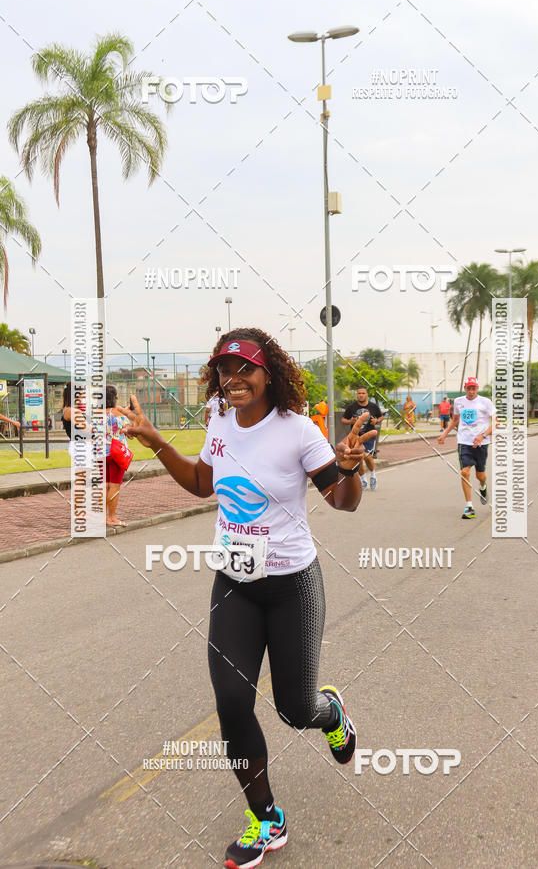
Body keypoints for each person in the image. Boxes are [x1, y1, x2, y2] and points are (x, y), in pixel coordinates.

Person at [121, 328, 375, 868]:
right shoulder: (218, 420)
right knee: (232, 703)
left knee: (293, 708)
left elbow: (343, 502)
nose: (232, 380)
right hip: (233, 584)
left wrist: (348, 468)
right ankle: (266, 819)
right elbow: (201, 484)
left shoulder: (299, 431)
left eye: (244, 369)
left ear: (269, 374)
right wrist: (155, 440)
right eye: (223, 370)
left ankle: (332, 716)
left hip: (292, 588)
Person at [437, 377, 495, 519]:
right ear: (465, 388)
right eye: (468, 388)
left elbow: (496, 423)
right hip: (464, 442)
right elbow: (455, 420)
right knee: (464, 472)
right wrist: (444, 434)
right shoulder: (458, 401)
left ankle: (483, 486)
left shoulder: (485, 402)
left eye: (473, 388)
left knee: (480, 475)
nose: (471, 391)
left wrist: (482, 436)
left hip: (481, 443)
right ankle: (469, 506)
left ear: (477, 388)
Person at [342, 385, 383, 490]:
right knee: (358, 457)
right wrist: (350, 421)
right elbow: (343, 420)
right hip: (356, 437)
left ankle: (373, 475)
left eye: (363, 393)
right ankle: (363, 479)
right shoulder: (352, 407)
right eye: (359, 393)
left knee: (367, 457)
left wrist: (376, 421)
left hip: (369, 436)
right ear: (357, 394)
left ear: (367, 395)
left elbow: (380, 416)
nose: (361, 395)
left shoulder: (373, 406)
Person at [105, 385, 131, 527]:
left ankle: (102, 517)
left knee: (104, 486)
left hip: (100, 453)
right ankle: (112, 518)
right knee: (114, 486)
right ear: (115, 398)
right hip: (116, 453)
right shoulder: (119, 414)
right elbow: (129, 432)